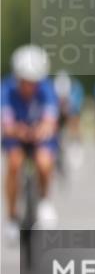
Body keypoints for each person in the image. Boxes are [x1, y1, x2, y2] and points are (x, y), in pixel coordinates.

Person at [1, 45, 59, 242]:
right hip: (16, 135)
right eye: (25, 81)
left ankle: (44, 200)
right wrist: (20, 131)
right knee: (14, 164)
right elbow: (5, 124)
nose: (29, 86)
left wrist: (41, 131)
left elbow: (51, 121)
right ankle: (11, 217)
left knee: (44, 163)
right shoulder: (6, 90)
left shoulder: (47, 90)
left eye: (34, 82)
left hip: (39, 135)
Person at [53, 70, 85, 176]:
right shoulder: (53, 90)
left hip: (71, 110)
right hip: (58, 112)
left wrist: (69, 110)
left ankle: (76, 146)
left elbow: (75, 110)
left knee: (74, 121)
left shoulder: (76, 90)